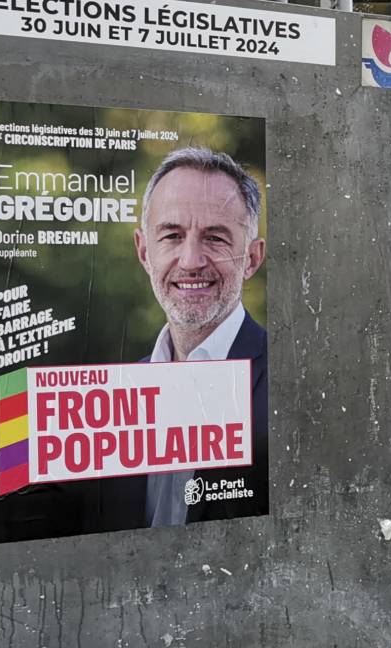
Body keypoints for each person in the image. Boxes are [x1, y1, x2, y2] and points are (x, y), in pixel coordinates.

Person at [101, 147, 269, 529]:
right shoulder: (112, 400)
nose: (191, 260)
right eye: (172, 235)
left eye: (215, 238)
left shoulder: (293, 384)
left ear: (252, 259)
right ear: (144, 252)